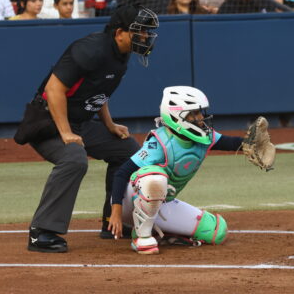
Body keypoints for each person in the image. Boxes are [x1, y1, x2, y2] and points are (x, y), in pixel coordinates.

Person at [15, 5, 159, 253]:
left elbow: (99, 94)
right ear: (119, 33)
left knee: (128, 151)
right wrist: (65, 133)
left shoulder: (121, 55)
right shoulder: (91, 49)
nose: (145, 36)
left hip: (81, 122)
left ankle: (113, 222)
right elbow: (53, 89)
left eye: (147, 32)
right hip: (47, 121)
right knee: (74, 159)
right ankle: (42, 232)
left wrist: (109, 125)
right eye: (140, 31)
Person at [107, 87, 274, 254]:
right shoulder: (159, 143)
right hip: (130, 202)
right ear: (176, 117)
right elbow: (122, 173)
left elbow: (230, 142)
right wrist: (116, 212)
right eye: (193, 113)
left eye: (200, 112)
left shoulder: (204, 137)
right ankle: (142, 237)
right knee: (155, 178)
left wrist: (252, 144)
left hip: (163, 203)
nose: (200, 117)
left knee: (216, 231)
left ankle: (158, 231)